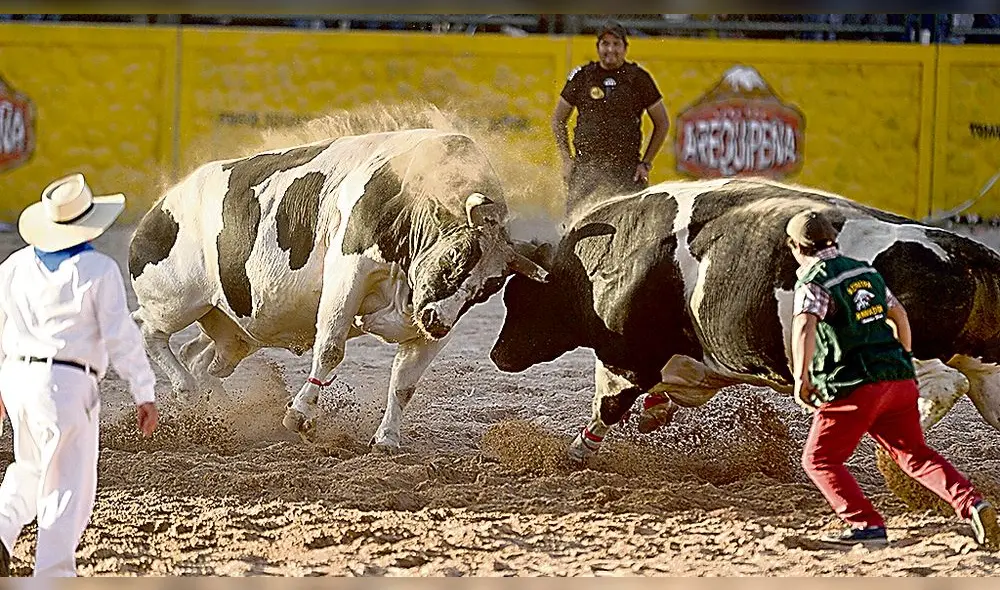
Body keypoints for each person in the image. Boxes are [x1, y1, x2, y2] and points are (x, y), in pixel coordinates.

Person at [786, 209, 999, 549]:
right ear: (834, 240)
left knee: (819, 459)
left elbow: (803, 327)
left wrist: (802, 377)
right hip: (899, 380)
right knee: (913, 454)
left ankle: (865, 526)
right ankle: (972, 503)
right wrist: (903, 354)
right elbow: (898, 313)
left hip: (854, 383)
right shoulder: (865, 272)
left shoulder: (813, 281)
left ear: (795, 246)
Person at [0, 173, 160, 576]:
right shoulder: (98, 270)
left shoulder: (14, 266)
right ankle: (53, 575)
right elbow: (121, 335)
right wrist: (144, 390)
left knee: (28, 469)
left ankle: (2, 531)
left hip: (17, 378)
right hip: (67, 385)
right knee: (68, 486)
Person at [552, 20, 670, 215]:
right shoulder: (583, 77)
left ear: (625, 48)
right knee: (577, 226)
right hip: (586, 170)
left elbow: (662, 123)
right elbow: (558, 119)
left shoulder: (639, 78)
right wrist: (566, 159)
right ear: (597, 47)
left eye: (616, 44)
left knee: (628, 230)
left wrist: (646, 163)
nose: (610, 49)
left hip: (626, 171)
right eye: (605, 43)